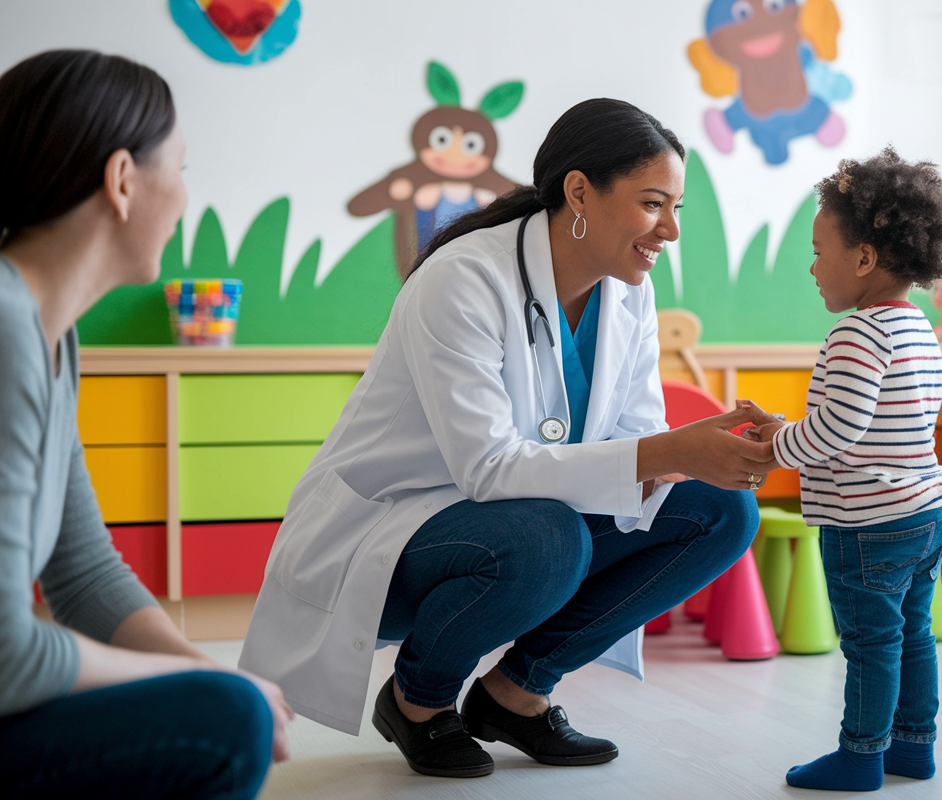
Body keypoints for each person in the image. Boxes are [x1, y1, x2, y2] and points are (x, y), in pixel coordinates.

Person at [239, 98, 780, 779]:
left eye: (677, 208)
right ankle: (417, 703)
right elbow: (489, 471)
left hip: (522, 527)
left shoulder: (629, 290)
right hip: (397, 538)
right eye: (652, 204)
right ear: (580, 191)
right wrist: (672, 451)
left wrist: (707, 452)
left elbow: (636, 438)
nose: (669, 229)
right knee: (549, 537)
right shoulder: (462, 278)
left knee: (720, 510)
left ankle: (516, 695)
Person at [0, 50, 293, 799]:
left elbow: (82, 569)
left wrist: (202, 667)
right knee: (222, 722)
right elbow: (5, 652)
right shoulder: (5, 328)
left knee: (222, 701)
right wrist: (199, 687)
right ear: (122, 180)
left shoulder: (47, 332)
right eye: (183, 169)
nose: (186, 197)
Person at [744, 147, 942, 791]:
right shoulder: (918, 328)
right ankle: (913, 747)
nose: (812, 267)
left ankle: (861, 755)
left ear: (864, 258)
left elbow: (836, 432)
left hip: (867, 523)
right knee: (913, 633)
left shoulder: (856, 334)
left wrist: (774, 446)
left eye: (820, 251)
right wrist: (787, 429)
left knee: (871, 644)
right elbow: (881, 425)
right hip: (926, 511)